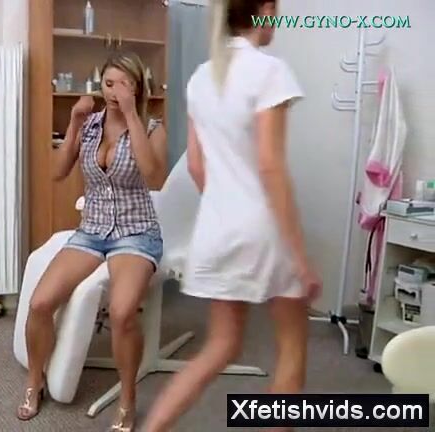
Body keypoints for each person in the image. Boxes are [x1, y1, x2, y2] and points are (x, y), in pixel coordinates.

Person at [142, 0, 322, 431]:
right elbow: (271, 167)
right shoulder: (270, 71)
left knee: (220, 346)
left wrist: (228, 205)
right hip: (262, 227)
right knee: (292, 349)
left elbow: (197, 166)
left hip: (217, 227)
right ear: (265, 10)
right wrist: (300, 257)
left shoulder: (202, 78)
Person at [17, 51, 168, 431]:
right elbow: (57, 172)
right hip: (92, 231)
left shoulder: (152, 128)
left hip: (135, 232)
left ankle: (128, 401)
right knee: (40, 302)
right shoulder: (89, 125)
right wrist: (73, 123)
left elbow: (154, 178)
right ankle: (35, 382)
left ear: (138, 88)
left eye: (125, 84)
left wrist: (132, 116)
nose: (115, 92)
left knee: (121, 312)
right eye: (109, 83)